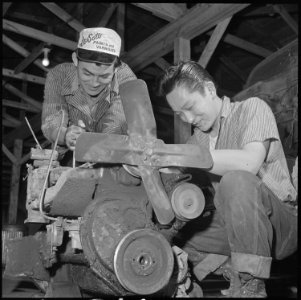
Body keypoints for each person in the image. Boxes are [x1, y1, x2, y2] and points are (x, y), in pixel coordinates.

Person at [157, 60, 297, 297]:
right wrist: (152, 161)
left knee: (236, 181)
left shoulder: (251, 108)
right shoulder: (197, 141)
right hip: (238, 230)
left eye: (190, 106)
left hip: (282, 225)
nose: (188, 119)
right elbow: (174, 173)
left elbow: (249, 162)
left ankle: (250, 287)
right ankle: (233, 274)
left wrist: (183, 155)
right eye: (180, 114)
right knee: (174, 233)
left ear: (210, 90)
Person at [41, 27, 136, 154]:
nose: (95, 83)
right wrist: (65, 135)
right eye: (87, 73)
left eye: (104, 76)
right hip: (71, 154)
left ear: (116, 69)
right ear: (75, 59)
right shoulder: (59, 75)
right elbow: (52, 120)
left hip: (111, 151)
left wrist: (101, 147)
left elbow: (118, 119)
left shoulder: (125, 76)